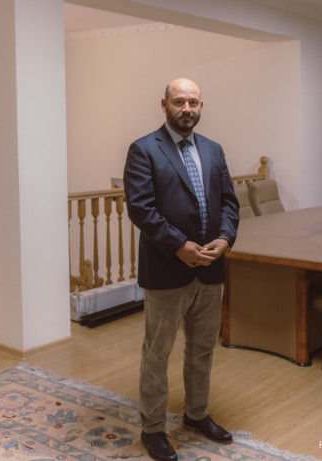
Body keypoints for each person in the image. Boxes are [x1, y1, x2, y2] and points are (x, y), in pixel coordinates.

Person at [123, 78, 240, 461]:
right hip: (166, 270)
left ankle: (197, 413)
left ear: (201, 105)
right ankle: (153, 429)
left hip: (211, 268)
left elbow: (229, 202)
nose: (186, 108)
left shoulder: (214, 149)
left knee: (203, 349)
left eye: (193, 102)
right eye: (179, 102)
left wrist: (225, 238)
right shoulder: (144, 149)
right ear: (165, 105)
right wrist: (179, 246)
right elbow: (141, 209)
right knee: (157, 353)